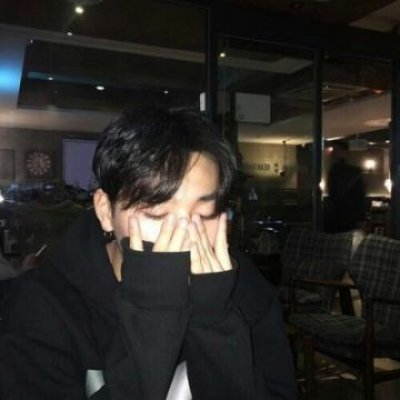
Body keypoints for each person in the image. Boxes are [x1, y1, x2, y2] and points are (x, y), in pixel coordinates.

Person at [0, 106, 296, 400]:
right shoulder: (43, 304)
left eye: (205, 213)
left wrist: (214, 322)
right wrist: (155, 314)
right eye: (156, 214)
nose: (184, 236)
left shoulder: (240, 286)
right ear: (105, 211)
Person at [324, 141, 367, 233]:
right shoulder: (352, 171)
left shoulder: (335, 171)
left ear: (343, 152)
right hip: (344, 214)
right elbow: (361, 195)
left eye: (336, 150)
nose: (333, 153)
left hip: (344, 214)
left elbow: (359, 195)